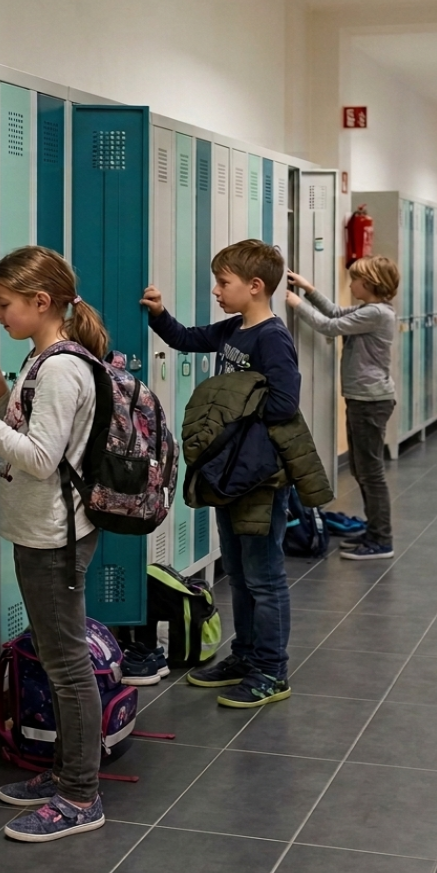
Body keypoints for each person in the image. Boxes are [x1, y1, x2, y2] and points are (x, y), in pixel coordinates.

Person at [0, 245, 106, 843]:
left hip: (54, 538)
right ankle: (65, 773)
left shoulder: (60, 368)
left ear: (41, 302)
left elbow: (39, 459)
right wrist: (1, 399)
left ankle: (80, 796)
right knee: (59, 660)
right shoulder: (43, 358)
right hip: (42, 531)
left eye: (3, 303)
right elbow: (43, 433)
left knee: (67, 668)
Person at [140, 240, 299, 708]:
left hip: (259, 477)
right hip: (229, 474)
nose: (216, 290)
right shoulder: (234, 329)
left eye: (223, 282)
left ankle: (272, 671)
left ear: (255, 286)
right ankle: (245, 656)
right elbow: (188, 339)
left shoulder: (272, 338)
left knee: (264, 577)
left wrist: (229, 411)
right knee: (240, 572)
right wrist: (159, 314)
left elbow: (284, 403)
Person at [287, 256, 400, 561]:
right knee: (362, 471)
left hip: (370, 401)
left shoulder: (377, 313)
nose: (351, 285)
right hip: (363, 399)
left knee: (371, 473)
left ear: (371, 284)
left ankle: (382, 540)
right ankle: (374, 532)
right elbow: (335, 312)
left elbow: (330, 326)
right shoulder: (370, 310)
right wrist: (309, 290)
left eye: (355, 280)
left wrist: (296, 304)